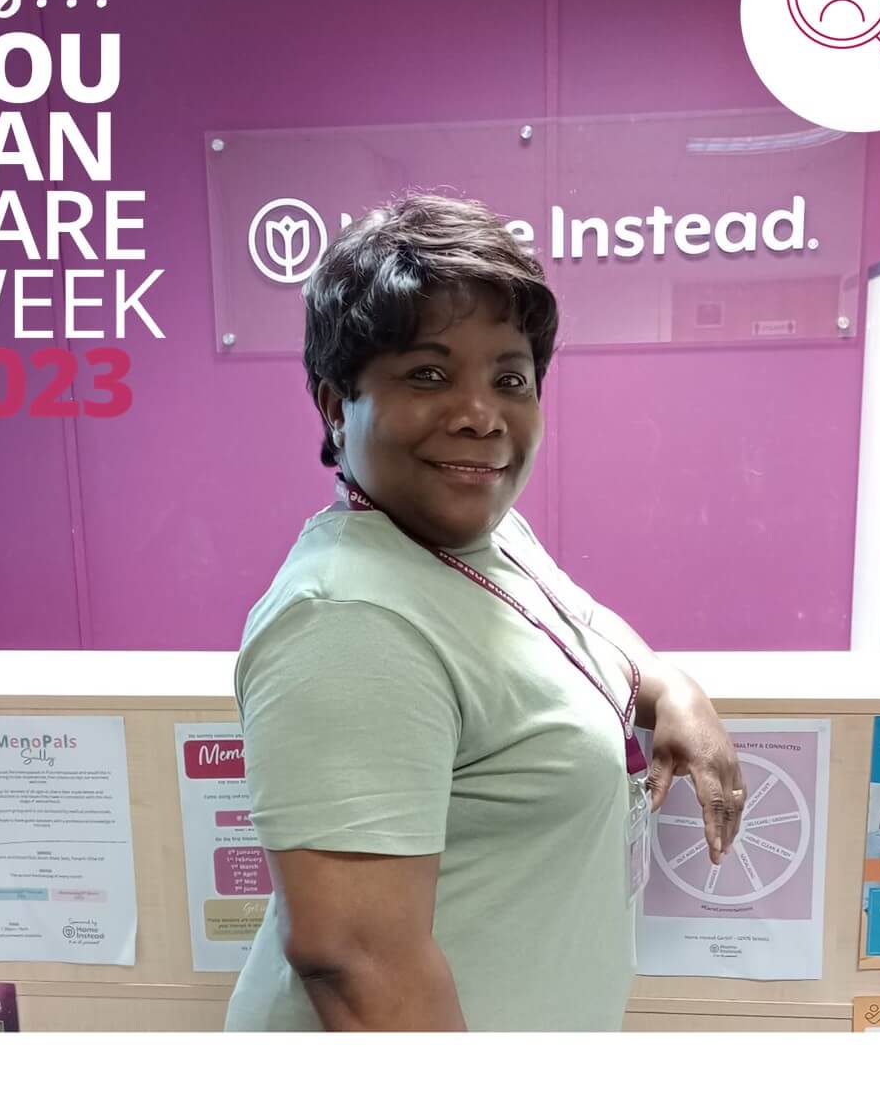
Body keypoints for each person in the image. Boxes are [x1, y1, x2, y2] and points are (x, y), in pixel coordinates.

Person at [226, 195, 744, 1032]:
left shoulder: (483, 537)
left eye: (510, 378)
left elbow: (583, 634)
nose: (480, 413)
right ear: (334, 402)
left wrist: (674, 692)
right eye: (428, 374)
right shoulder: (348, 619)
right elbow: (356, 967)